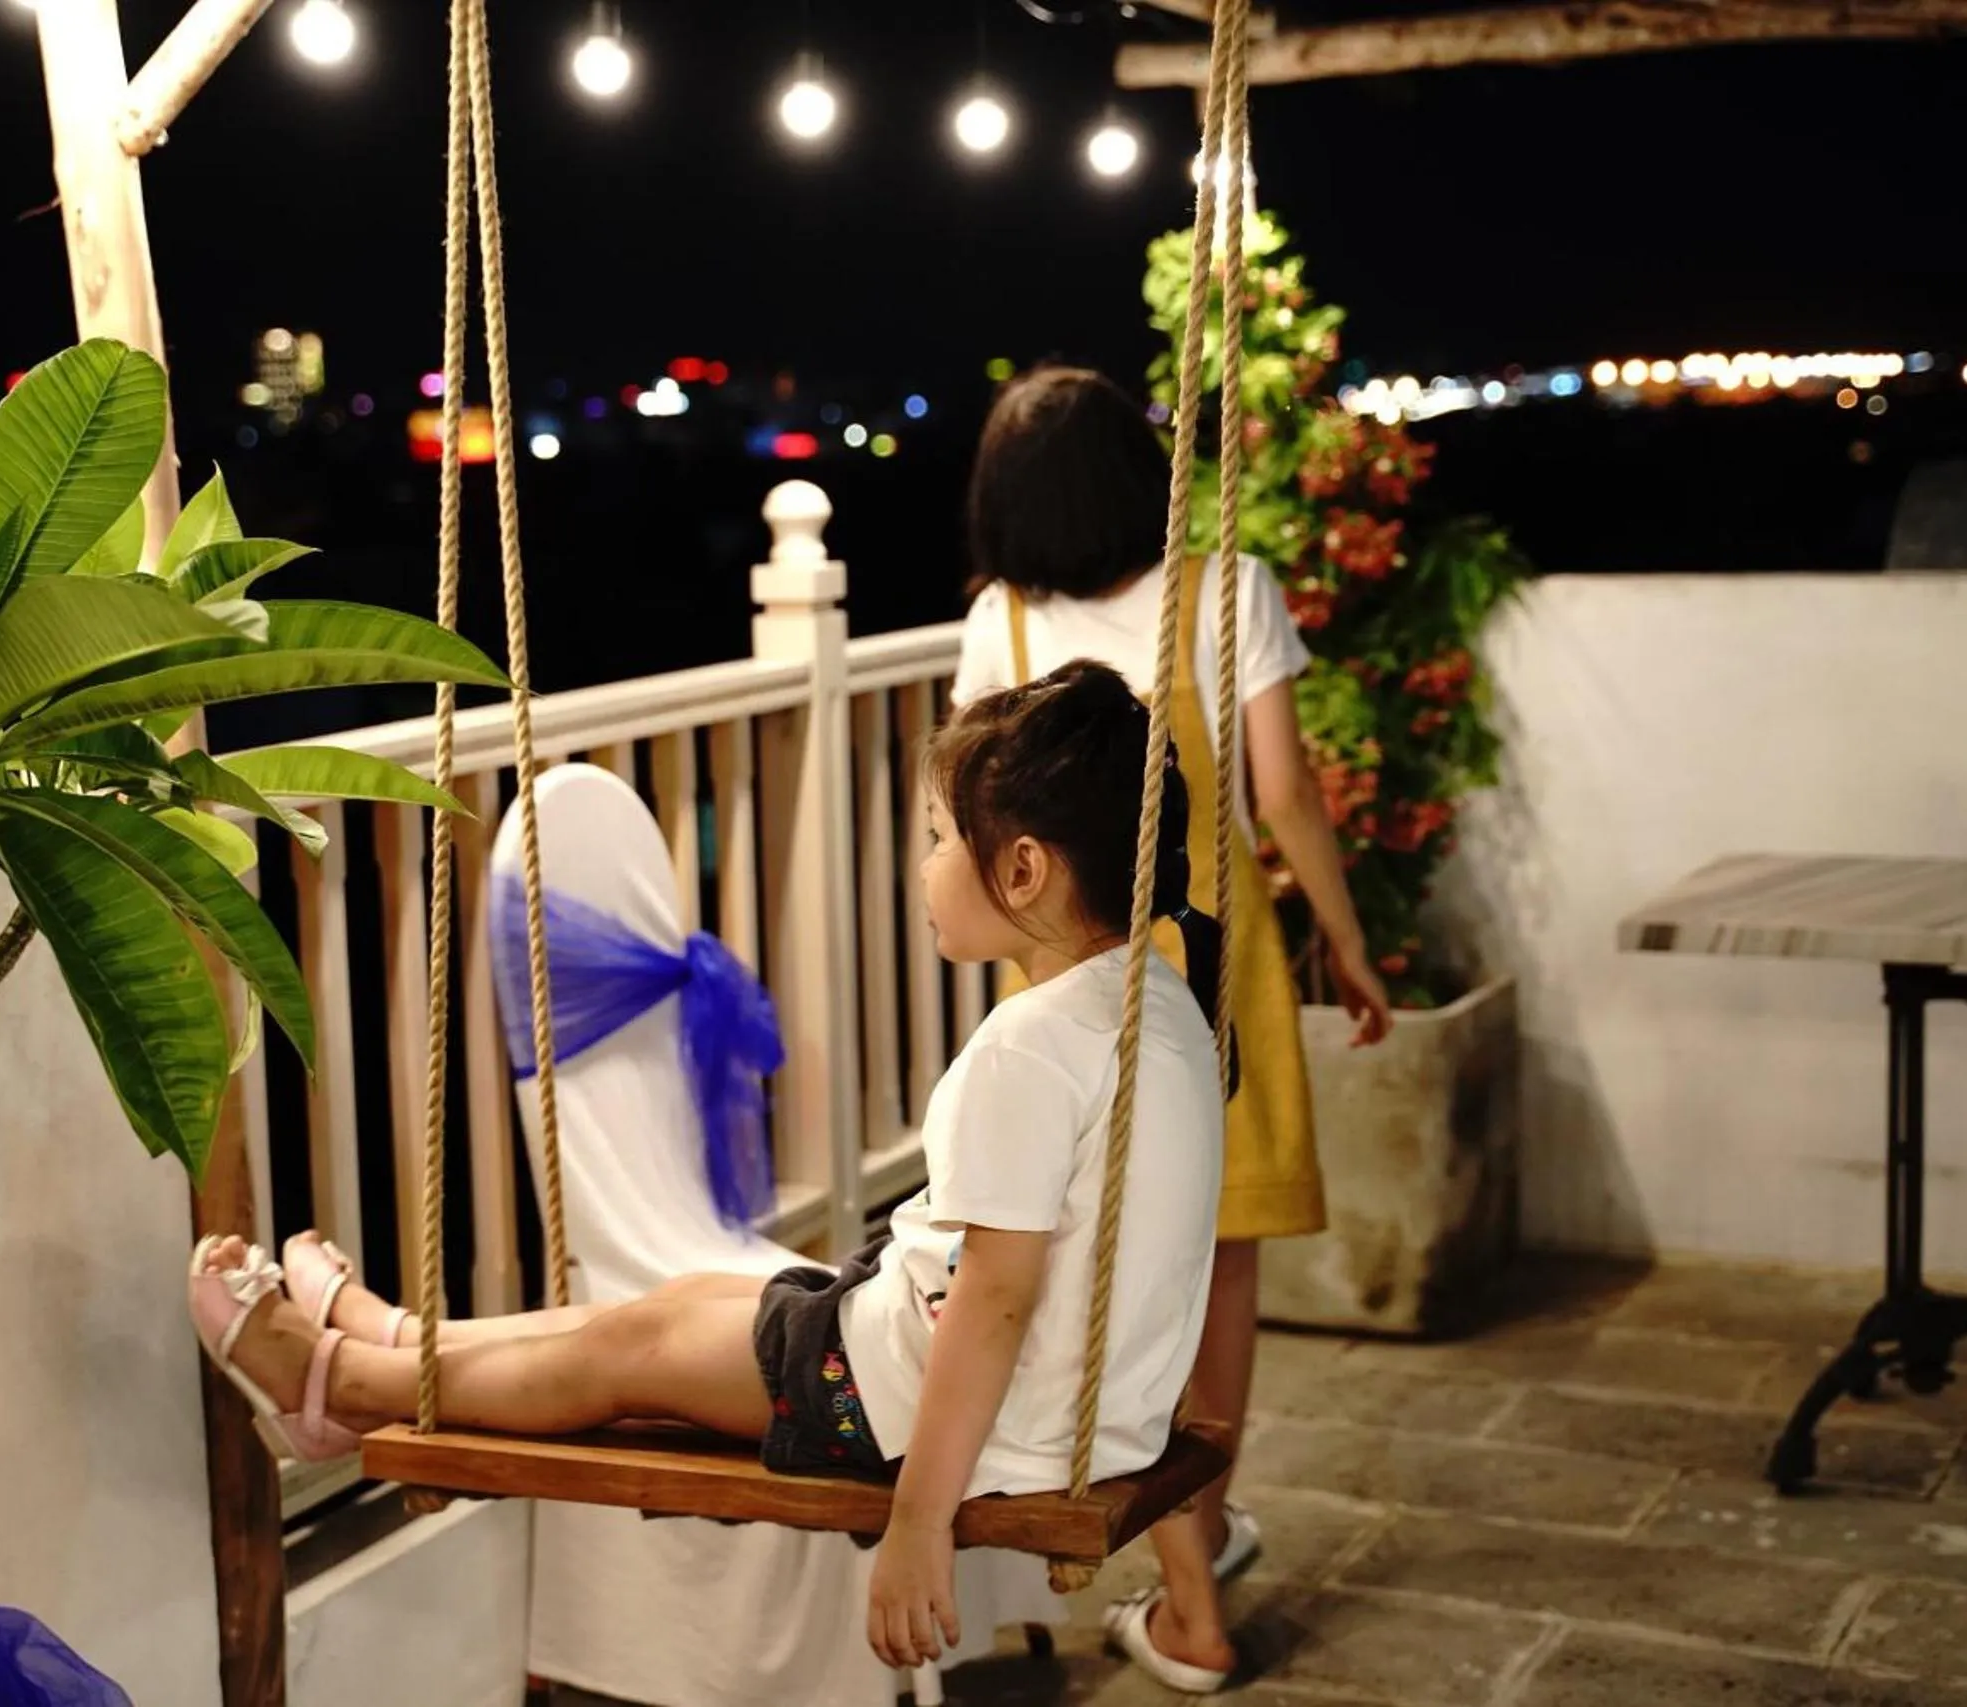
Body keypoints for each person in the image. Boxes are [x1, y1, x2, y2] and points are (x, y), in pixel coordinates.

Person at [190, 661, 1229, 1673]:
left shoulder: (1027, 1049)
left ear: (1023, 869)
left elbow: (997, 1300)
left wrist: (917, 1522)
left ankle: (342, 1384)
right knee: (681, 1304)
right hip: (1051, 1407)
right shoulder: (1160, 1004)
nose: (921, 867)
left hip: (917, 1405)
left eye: (936, 840)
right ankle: (409, 1340)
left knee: (634, 1347)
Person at [951, 365, 1395, 1691]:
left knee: (1098, 1284)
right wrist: (1350, 943)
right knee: (1217, 1278)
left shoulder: (1003, 632)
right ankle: (1195, 1568)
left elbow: (980, 842)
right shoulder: (1226, 590)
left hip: (1064, 1000)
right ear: (1139, 478)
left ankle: (1189, 1567)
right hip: (1212, 980)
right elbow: (1290, 794)